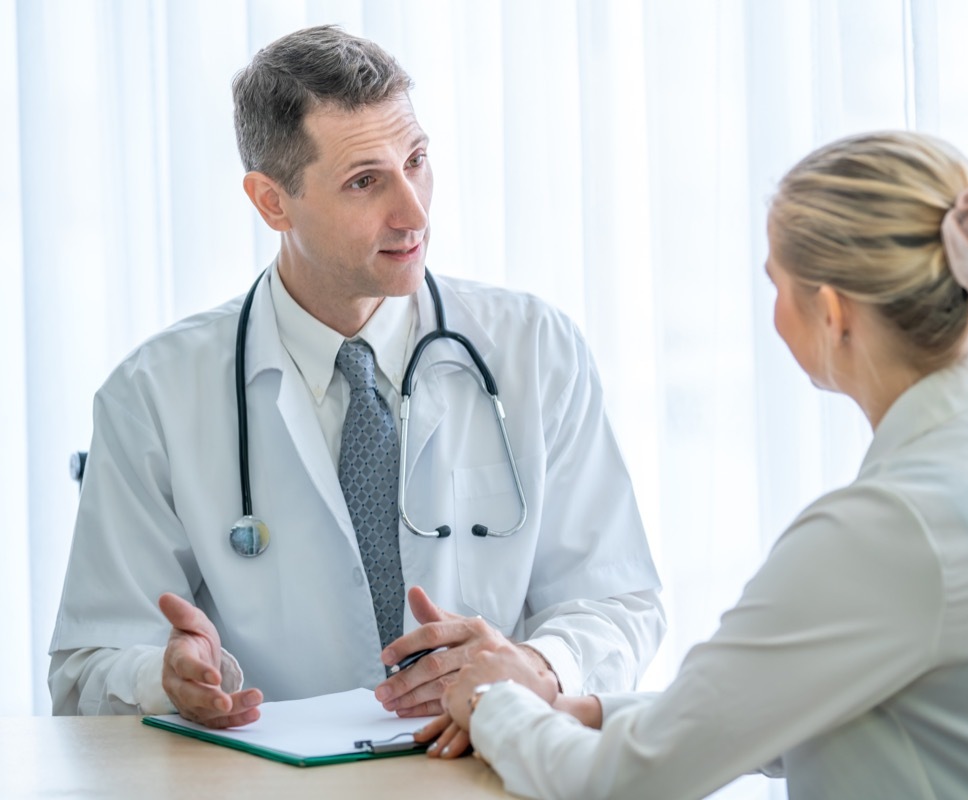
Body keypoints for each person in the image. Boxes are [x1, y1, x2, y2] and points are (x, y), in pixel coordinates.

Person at [435, 131, 968, 797]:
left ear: (833, 313)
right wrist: (588, 710)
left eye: (775, 282)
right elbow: (799, 695)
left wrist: (496, 703)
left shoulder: (895, 527)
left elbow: (621, 785)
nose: (771, 310)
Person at [48, 25, 664, 756]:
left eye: (417, 161)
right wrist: (165, 678)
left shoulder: (536, 350)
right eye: (365, 181)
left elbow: (619, 600)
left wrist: (537, 665)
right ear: (272, 202)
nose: (415, 213)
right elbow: (84, 668)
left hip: (486, 773)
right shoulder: (152, 395)